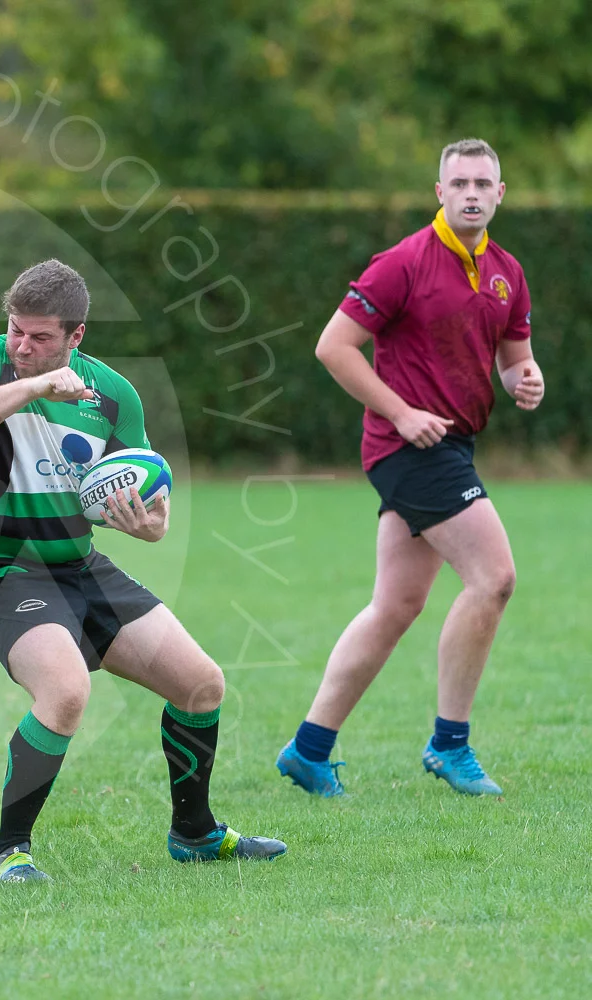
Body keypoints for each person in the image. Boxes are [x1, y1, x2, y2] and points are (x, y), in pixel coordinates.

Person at [0, 259, 286, 884]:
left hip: (78, 563)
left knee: (201, 685)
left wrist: (152, 523)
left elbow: (146, 485)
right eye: (16, 329)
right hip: (0, 570)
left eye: (40, 337)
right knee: (66, 691)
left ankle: (195, 834)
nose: (21, 345)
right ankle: (8, 852)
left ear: (76, 338)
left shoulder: (112, 393)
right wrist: (36, 385)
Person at [276, 138, 541, 798]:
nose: (473, 192)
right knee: (494, 577)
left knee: (394, 606)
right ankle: (450, 744)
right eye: (460, 183)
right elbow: (333, 347)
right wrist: (400, 413)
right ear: (440, 193)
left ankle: (309, 750)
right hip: (410, 449)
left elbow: (515, 359)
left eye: (484, 182)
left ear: (500, 194)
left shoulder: (506, 270)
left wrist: (525, 380)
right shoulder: (403, 263)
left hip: (452, 448)